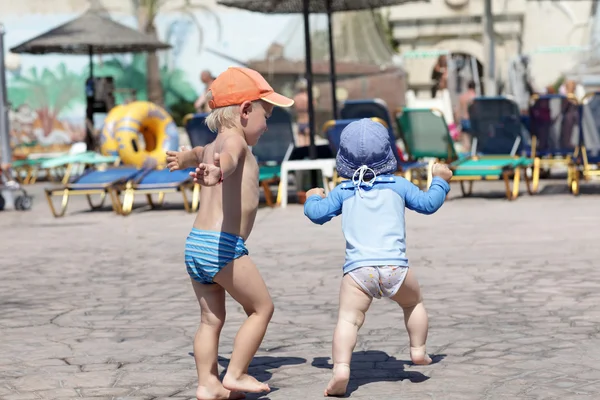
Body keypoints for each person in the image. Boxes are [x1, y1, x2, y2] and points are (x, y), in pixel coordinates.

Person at [166, 67, 294, 400]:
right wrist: (220, 170)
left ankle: (208, 383)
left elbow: (202, 154)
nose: (267, 124)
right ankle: (235, 373)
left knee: (211, 319)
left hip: (196, 246)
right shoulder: (235, 142)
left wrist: (185, 159)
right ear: (245, 110)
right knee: (262, 309)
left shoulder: (212, 145)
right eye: (266, 114)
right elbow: (232, 160)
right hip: (222, 246)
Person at [302, 119, 453, 397]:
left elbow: (317, 214)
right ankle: (418, 351)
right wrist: (440, 180)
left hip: (358, 272)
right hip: (396, 267)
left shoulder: (345, 190)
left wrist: (313, 197)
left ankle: (342, 368)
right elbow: (429, 204)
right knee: (414, 303)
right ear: (388, 153)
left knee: (348, 319)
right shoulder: (398, 185)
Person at [292, 78, 310, 147]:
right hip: (307, 121)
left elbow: (293, 108)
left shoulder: (296, 98)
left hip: (299, 121)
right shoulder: (308, 97)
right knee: (308, 143)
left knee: (301, 143)